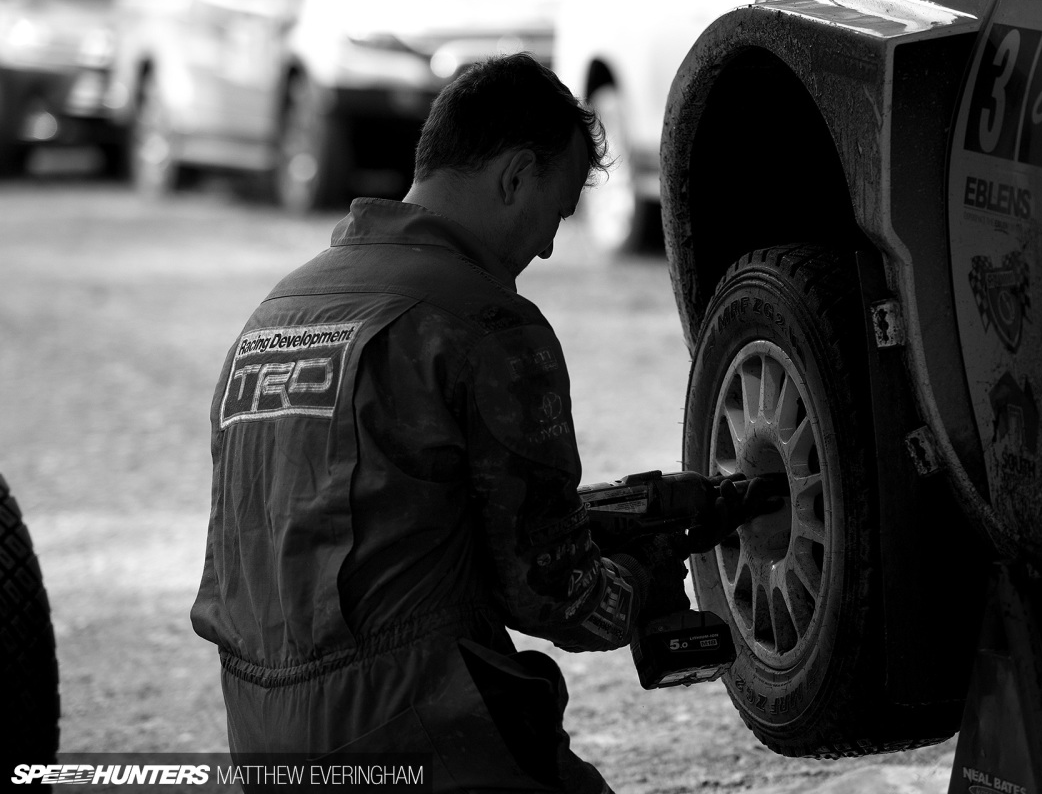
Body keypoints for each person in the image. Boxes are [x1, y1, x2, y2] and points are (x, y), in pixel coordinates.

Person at [192, 53, 761, 792]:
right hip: (408, 722)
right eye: (552, 214)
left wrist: (598, 519)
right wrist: (639, 572)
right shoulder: (483, 320)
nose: (549, 247)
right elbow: (557, 597)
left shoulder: (277, 313)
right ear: (514, 176)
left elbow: (372, 522)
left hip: (261, 735)